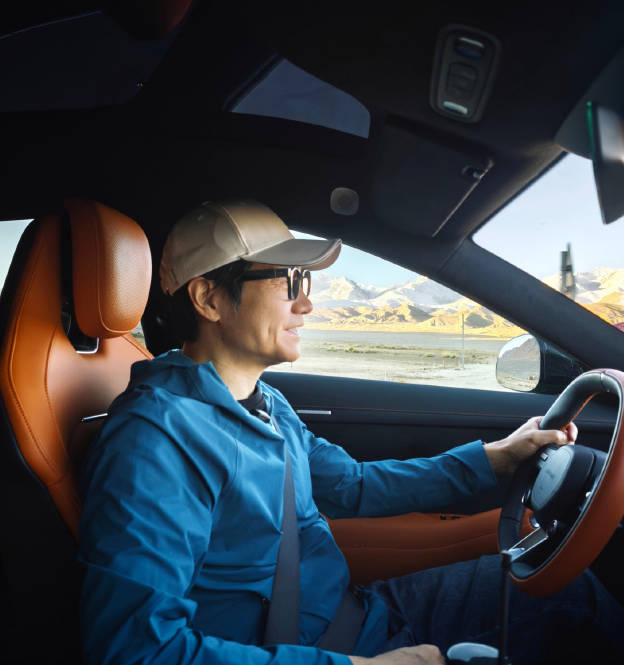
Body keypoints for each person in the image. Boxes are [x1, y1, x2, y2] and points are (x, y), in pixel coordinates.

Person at [79, 199, 624, 665]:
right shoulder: (157, 441)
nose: (307, 303)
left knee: (568, 590)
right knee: (572, 603)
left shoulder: (266, 403)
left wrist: (497, 457)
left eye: (307, 282)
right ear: (209, 298)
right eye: (289, 282)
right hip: (318, 649)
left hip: (356, 613)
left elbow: (353, 485)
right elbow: (135, 650)